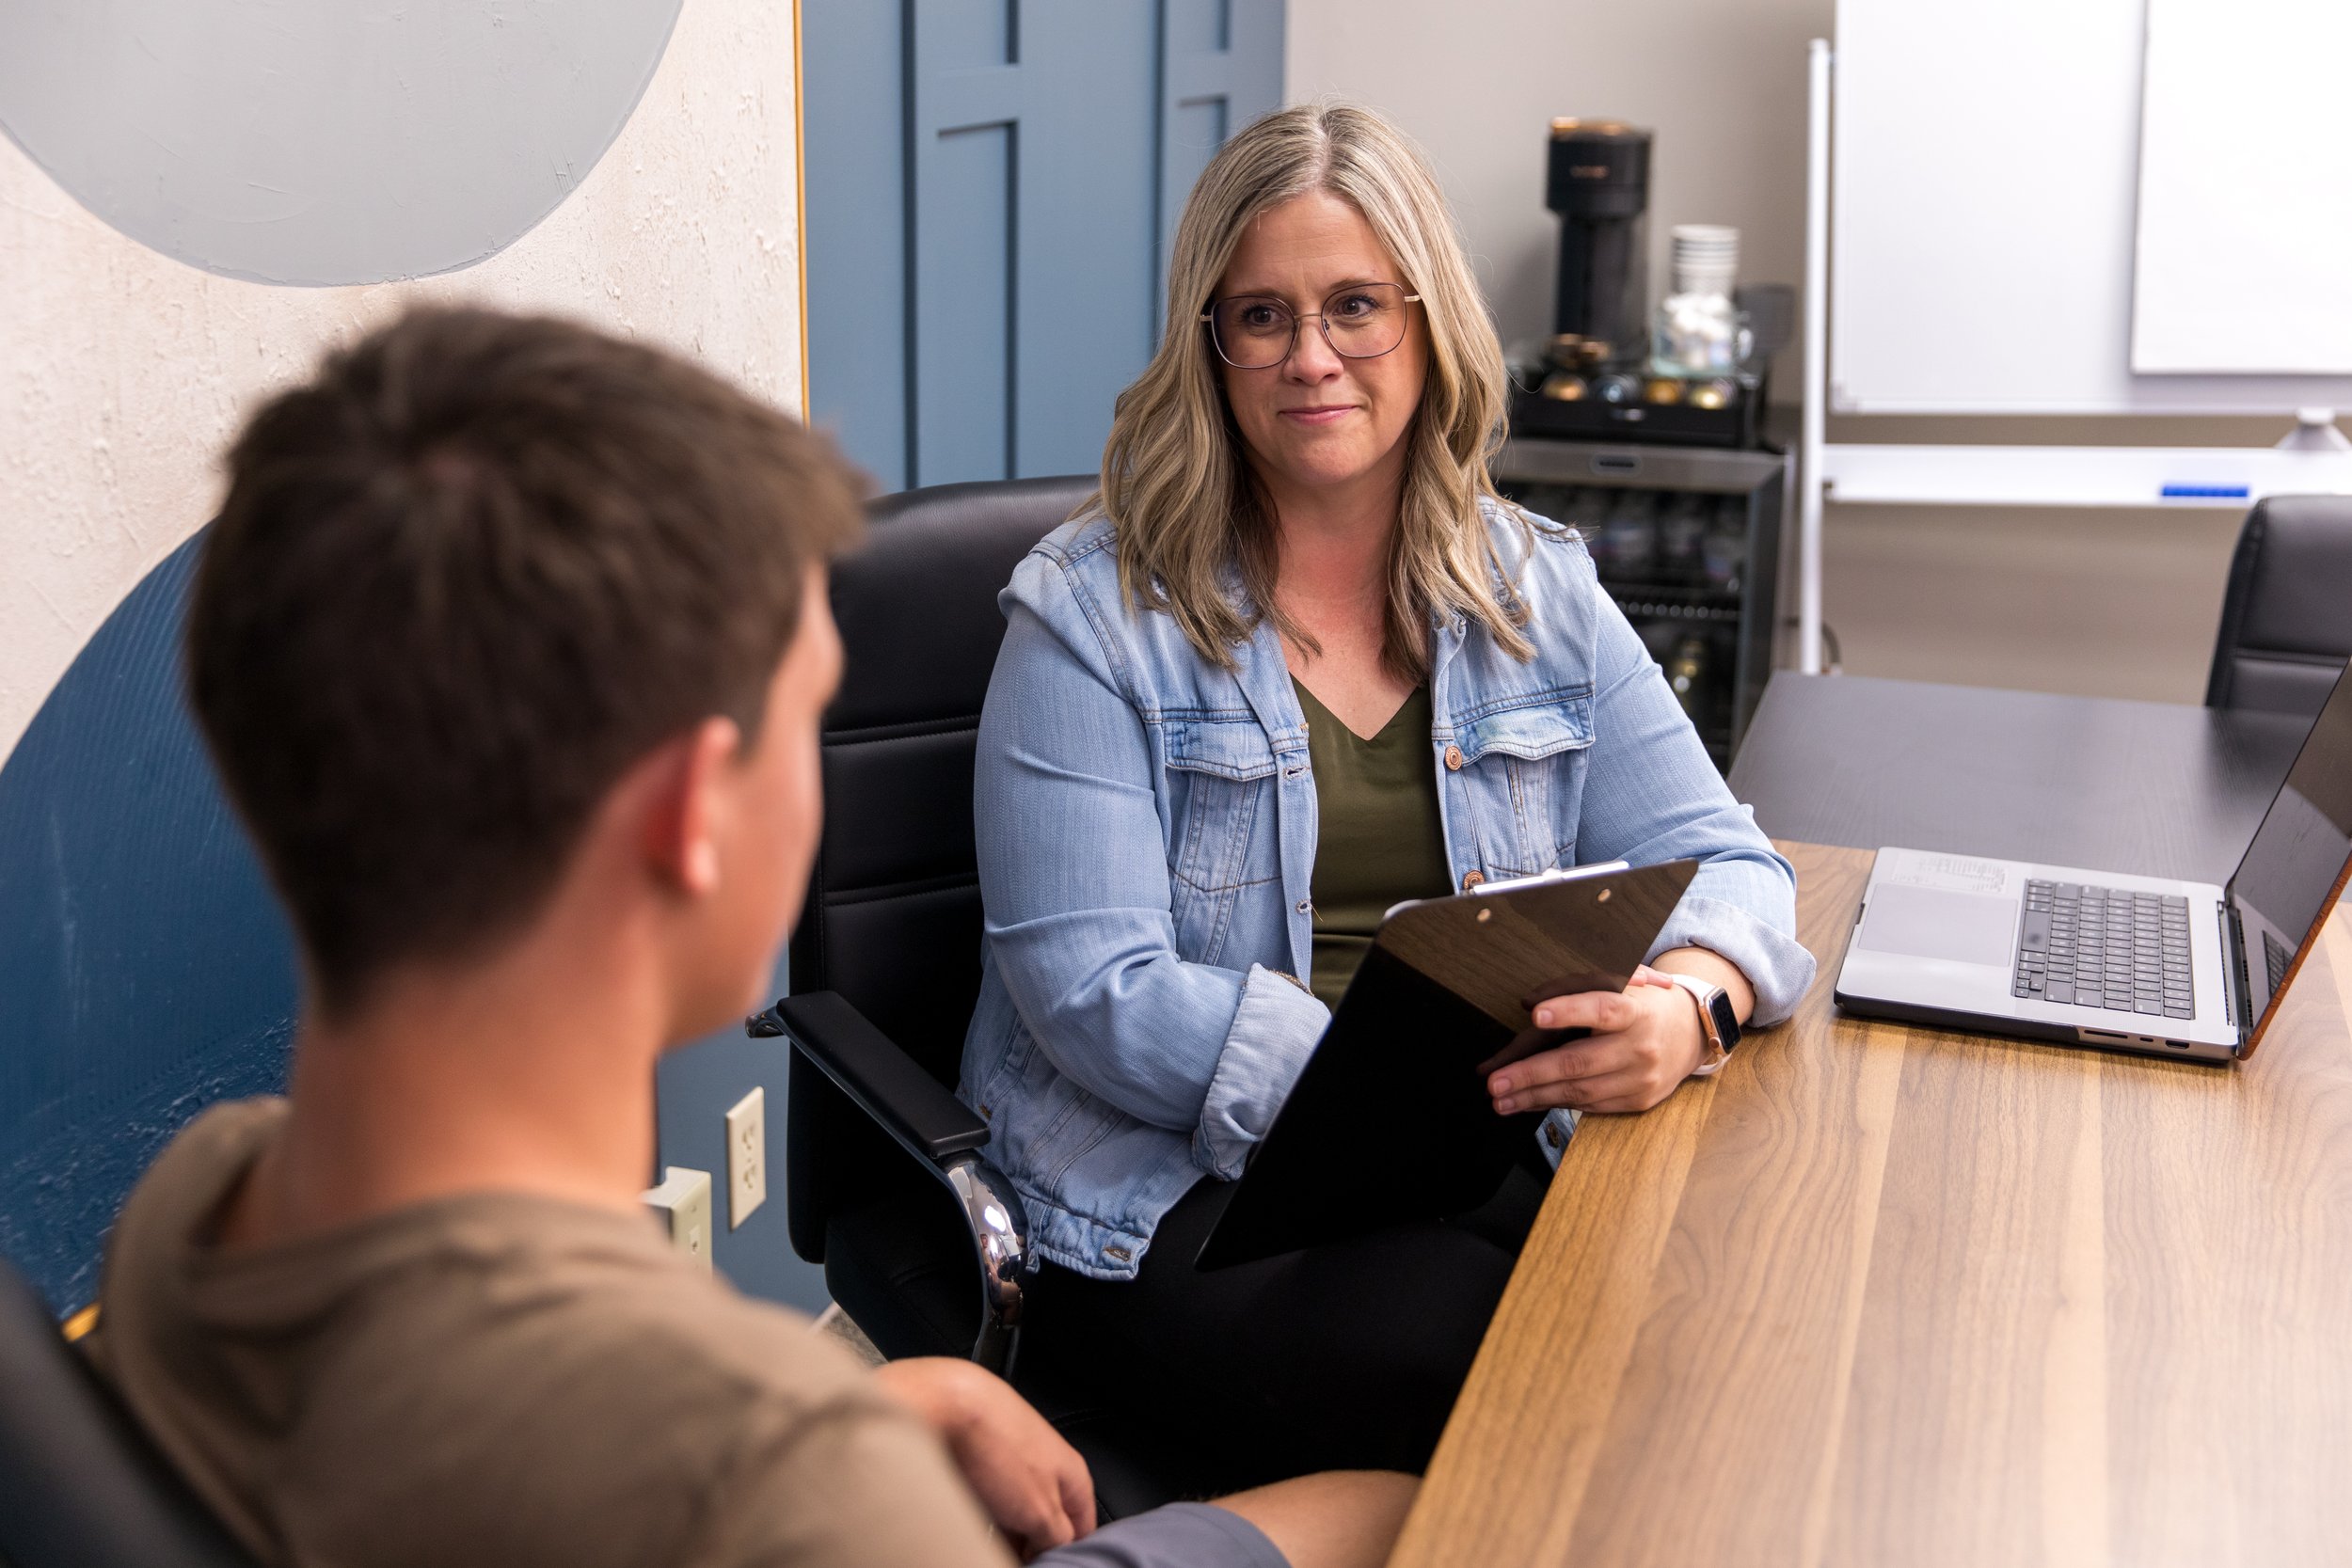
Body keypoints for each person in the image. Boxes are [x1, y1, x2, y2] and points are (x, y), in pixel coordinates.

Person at [81, 308, 1414, 1568]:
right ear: (686, 816)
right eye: (804, 715)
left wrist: (865, 1431)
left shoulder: (197, 1211)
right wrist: (832, 1463)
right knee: (1397, 1509)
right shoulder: (778, 1484)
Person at [961, 103, 1820, 1485]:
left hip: (1460, 1148)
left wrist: (1687, 1004)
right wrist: (1395, 1084)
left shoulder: (1531, 585)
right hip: (1164, 1197)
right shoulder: (1088, 618)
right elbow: (1088, 987)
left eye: (1356, 306)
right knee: (1520, 1375)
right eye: (1261, 317)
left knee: (1709, 1319)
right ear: (1210, 345)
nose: (1313, 358)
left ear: (1429, 326)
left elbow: (1731, 861)